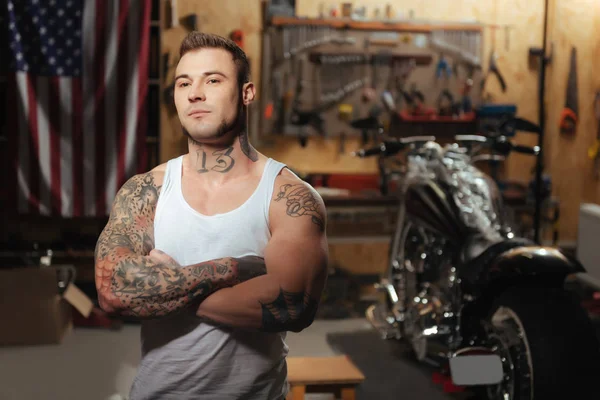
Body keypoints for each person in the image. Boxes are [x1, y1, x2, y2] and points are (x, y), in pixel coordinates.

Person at [94, 31, 328, 400]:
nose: (195, 93)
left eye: (213, 80)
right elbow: (112, 291)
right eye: (183, 82)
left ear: (247, 93)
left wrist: (165, 287)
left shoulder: (288, 196)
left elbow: (292, 305)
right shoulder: (147, 190)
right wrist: (230, 270)